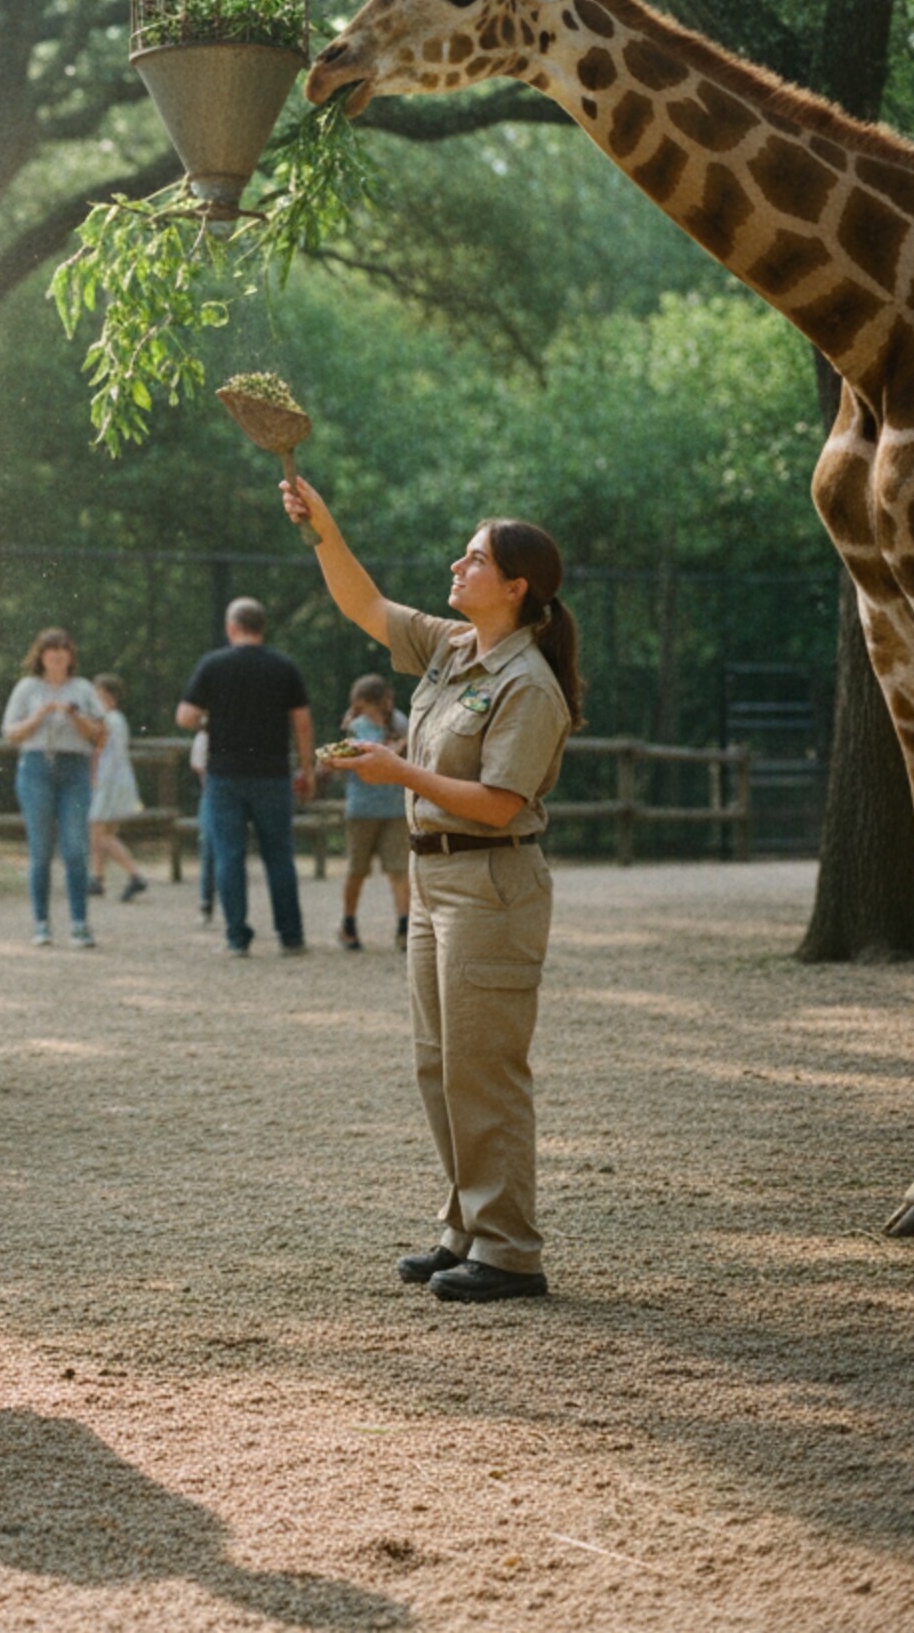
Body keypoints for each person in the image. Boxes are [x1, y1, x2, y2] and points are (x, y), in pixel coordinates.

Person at [284, 475, 580, 1305]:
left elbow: (500, 802)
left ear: (516, 588)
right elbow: (365, 606)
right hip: (434, 874)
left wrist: (394, 768)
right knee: (438, 1065)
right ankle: (467, 1227)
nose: (458, 564)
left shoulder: (528, 684)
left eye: (476, 558)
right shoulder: (454, 648)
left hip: (491, 880)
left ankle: (512, 1251)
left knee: (484, 1068)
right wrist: (322, 526)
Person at [175, 599, 313, 957]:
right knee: (279, 856)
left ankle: (237, 937)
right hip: (273, 774)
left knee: (229, 856)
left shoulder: (213, 665)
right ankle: (291, 935)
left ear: (230, 627)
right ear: (262, 627)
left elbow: (185, 717)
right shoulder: (284, 667)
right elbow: (302, 722)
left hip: (225, 776)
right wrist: (307, 769)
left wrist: (211, 717)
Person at [1, 629, 108, 946]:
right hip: (36, 769)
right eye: (51, 650)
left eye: (63, 649)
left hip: (74, 770)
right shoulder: (27, 688)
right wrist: (42, 714)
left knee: (76, 849)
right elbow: (11, 733)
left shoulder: (83, 688)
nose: (57, 655)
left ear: (71, 656)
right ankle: (42, 923)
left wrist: (74, 715)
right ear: (41, 655)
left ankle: (79, 923)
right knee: (41, 850)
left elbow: (99, 734)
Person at [336, 674, 410, 952]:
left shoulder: (400, 722)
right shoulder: (356, 726)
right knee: (358, 870)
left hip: (390, 807)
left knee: (398, 870)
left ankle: (404, 927)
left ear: (368, 702)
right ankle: (349, 924)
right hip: (365, 808)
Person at [87, 673, 149, 904]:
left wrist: (95, 776)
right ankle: (97, 877)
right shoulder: (116, 719)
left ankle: (135, 874)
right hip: (117, 778)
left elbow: (101, 751)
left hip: (108, 779)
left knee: (99, 832)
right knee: (104, 831)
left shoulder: (108, 720)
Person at [190, 726, 216, 925]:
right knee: (208, 846)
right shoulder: (203, 737)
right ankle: (206, 900)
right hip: (212, 793)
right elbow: (199, 767)